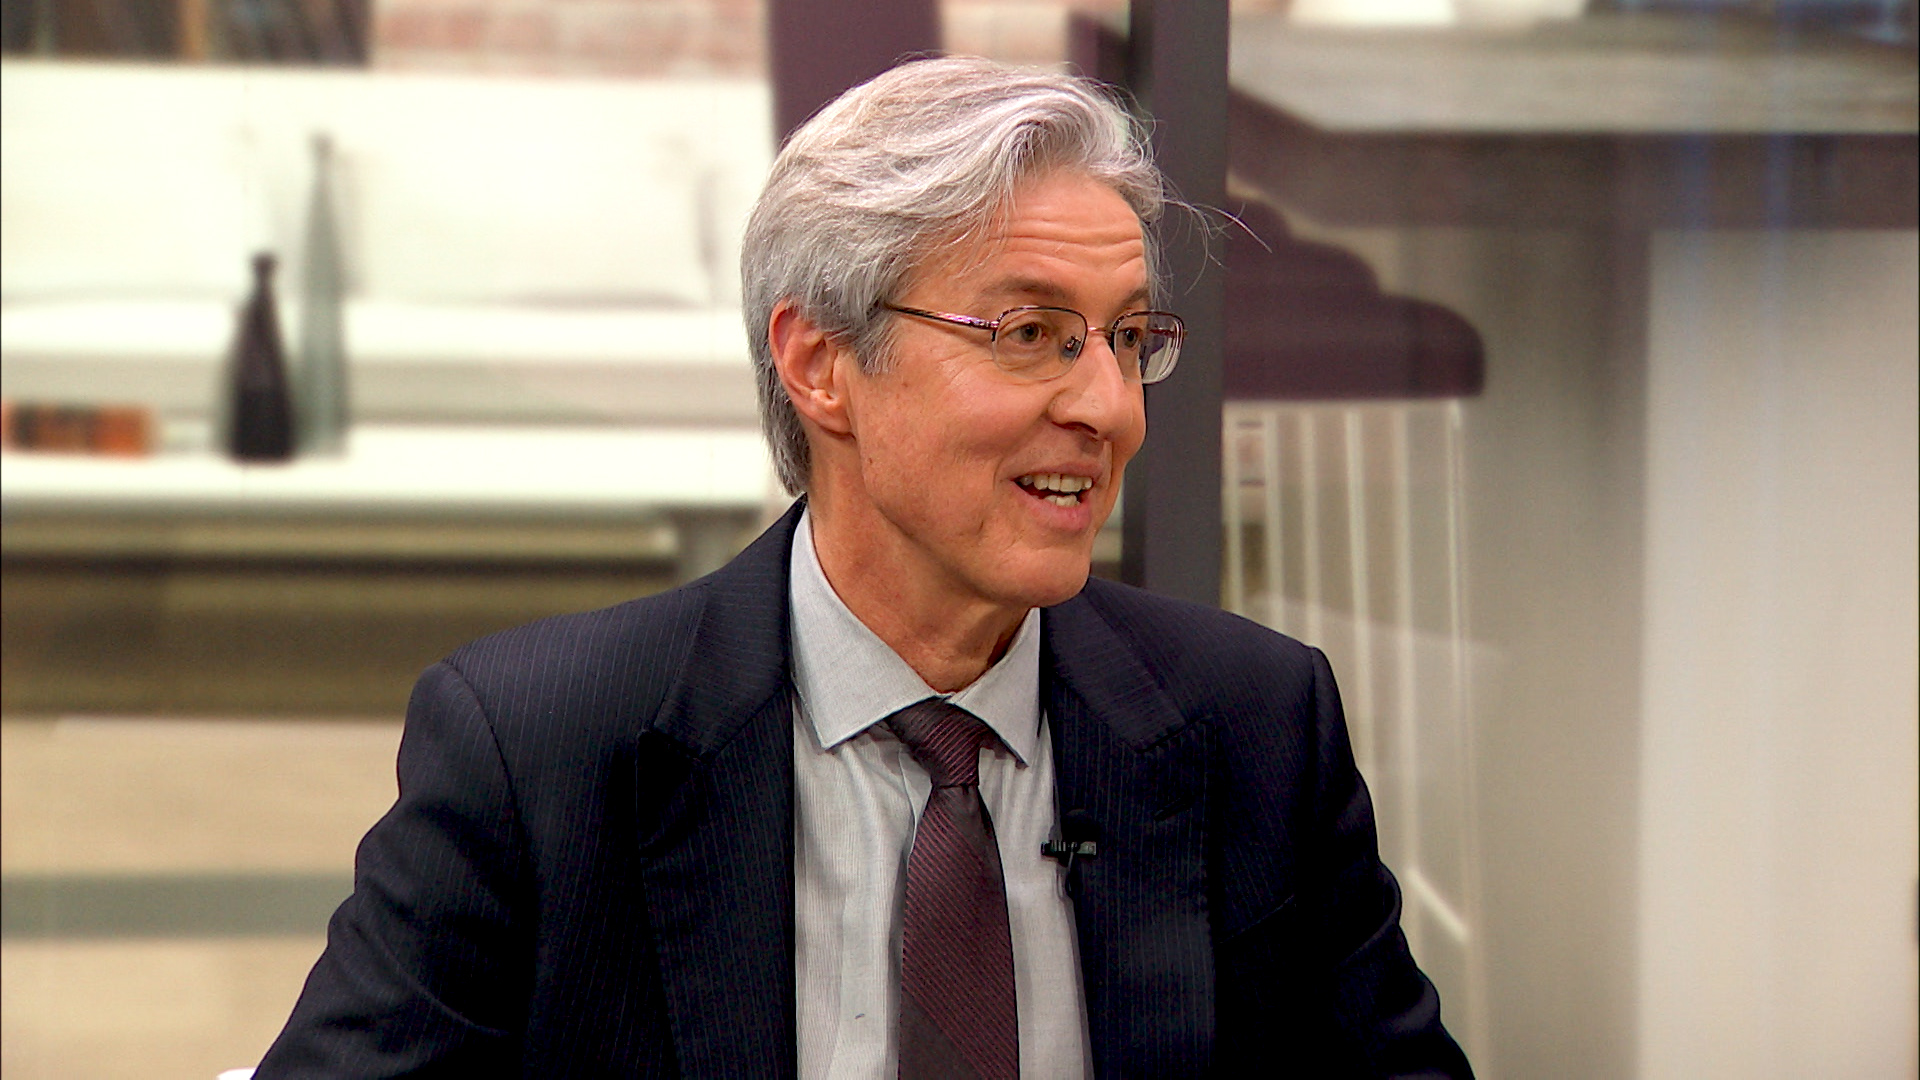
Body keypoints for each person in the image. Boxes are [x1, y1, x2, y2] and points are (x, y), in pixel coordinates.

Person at [256, 57, 1471, 1078]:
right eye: (1031, 334)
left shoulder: (1256, 727)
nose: (1108, 407)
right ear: (820, 363)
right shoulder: (539, 753)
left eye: (1127, 338)